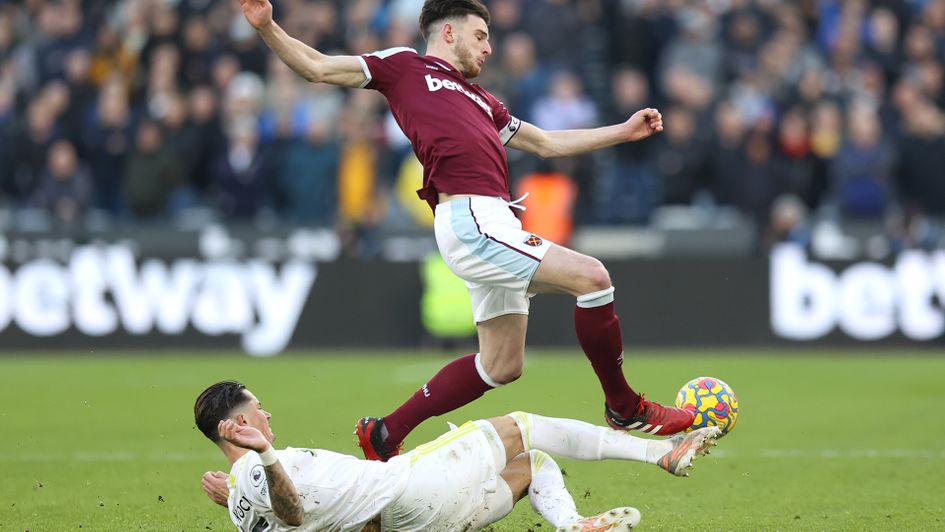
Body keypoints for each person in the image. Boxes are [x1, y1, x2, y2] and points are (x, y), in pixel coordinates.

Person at [236, 0, 695, 462]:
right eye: (481, 36)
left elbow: (547, 143)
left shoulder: (483, 99)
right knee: (592, 277)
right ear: (449, 33)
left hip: (495, 219)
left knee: (502, 365)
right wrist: (268, 26)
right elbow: (316, 67)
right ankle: (624, 406)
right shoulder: (405, 66)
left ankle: (385, 432)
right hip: (470, 218)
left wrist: (623, 131)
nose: (489, 48)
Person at [195, 380, 721, 531]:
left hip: (415, 522)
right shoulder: (260, 469)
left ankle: (574, 526)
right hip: (410, 486)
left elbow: (275, 517)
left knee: (531, 466)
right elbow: (290, 509)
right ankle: (660, 453)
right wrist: (264, 455)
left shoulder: (244, 507)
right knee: (524, 426)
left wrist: (235, 499)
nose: (270, 420)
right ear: (240, 425)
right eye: (259, 413)